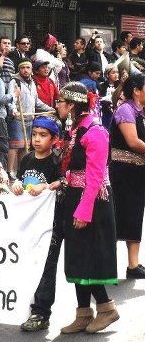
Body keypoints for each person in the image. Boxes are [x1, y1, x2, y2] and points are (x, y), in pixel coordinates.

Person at [56, 81, 119, 334]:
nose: (58, 105)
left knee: (88, 257)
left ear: (72, 104)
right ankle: (83, 313)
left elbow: (94, 177)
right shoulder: (76, 129)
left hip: (92, 201)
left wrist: (84, 210)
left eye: (61, 101)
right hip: (75, 196)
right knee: (76, 257)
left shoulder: (95, 132)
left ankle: (106, 308)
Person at [14, 117, 64, 332]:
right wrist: (16, 185)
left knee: (47, 266)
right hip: (27, 223)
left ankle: (42, 312)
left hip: (50, 224)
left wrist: (46, 186)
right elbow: (19, 179)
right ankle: (24, 304)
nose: (36, 139)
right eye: (34, 134)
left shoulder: (56, 162)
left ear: (54, 139)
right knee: (26, 263)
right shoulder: (26, 159)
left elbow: (61, 185)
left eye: (43, 135)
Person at [110, 74, 145, 279]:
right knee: (118, 215)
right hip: (123, 172)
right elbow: (132, 142)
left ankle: (133, 265)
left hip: (137, 172)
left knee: (134, 215)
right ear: (136, 91)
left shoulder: (140, 111)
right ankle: (104, 263)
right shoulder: (126, 110)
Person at [7, 58, 55, 179]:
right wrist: (14, 111)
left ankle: (21, 170)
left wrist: (50, 109)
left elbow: (36, 101)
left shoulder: (32, 82)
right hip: (17, 118)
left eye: (28, 68)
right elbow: (11, 100)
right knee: (15, 146)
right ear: (19, 69)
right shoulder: (15, 82)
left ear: (31, 69)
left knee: (26, 146)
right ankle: (9, 171)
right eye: (23, 68)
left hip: (29, 118)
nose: (25, 70)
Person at [99, 64, 119, 129]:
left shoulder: (120, 86)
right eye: (113, 73)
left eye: (117, 72)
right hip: (106, 113)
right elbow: (100, 99)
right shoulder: (102, 86)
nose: (116, 74)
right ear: (107, 75)